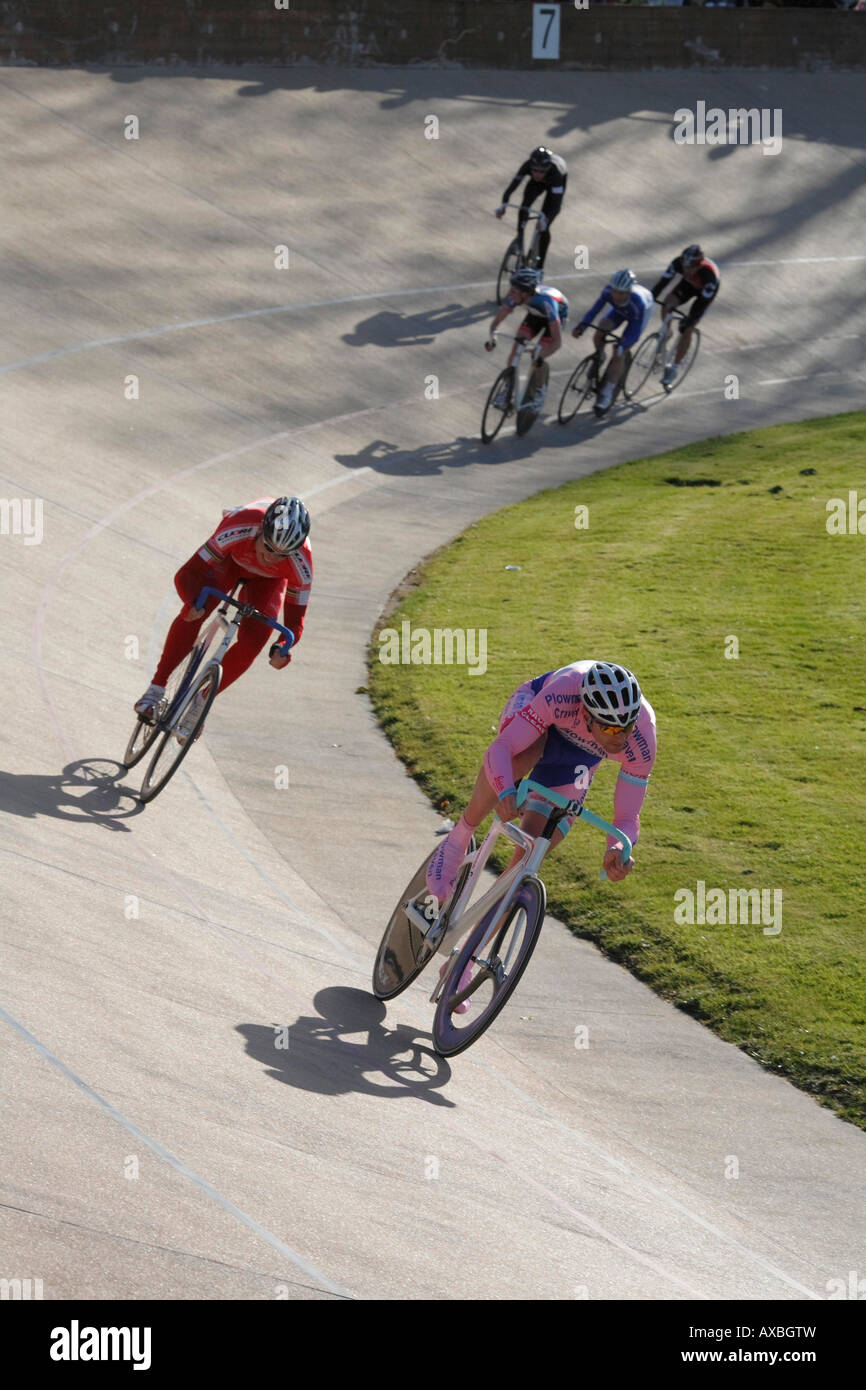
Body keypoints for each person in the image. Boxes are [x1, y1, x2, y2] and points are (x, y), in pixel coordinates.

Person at [426, 660, 656, 911]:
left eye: (627, 727)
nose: (622, 738)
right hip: (537, 716)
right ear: (587, 715)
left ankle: (472, 947)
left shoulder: (643, 738)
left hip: (579, 756)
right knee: (525, 753)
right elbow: (502, 748)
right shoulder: (563, 691)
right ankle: (460, 835)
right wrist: (506, 791)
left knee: (525, 863)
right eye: (610, 728)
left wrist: (618, 847)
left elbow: (627, 816)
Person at [133, 496, 312, 742]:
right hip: (230, 561)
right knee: (197, 608)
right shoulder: (239, 528)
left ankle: (201, 703)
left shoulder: (302, 564)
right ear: (260, 531)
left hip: (269, 583)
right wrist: (191, 602)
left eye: (282, 555)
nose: (271, 558)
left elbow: (294, 621)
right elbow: (187, 573)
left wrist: (283, 647)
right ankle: (156, 688)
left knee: (254, 642)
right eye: (269, 547)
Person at [572, 269, 654, 415]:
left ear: (629, 292)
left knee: (619, 353)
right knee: (601, 327)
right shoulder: (608, 292)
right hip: (619, 311)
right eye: (615, 291)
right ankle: (600, 355)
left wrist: (623, 345)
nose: (616, 295)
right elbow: (594, 311)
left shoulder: (638, 303)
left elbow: (634, 332)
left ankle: (608, 393)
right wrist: (582, 326)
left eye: (621, 293)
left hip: (637, 315)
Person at [486, 268, 568, 409]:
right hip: (535, 315)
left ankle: (540, 392)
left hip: (555, 318)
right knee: (517, 345)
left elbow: (557, 342)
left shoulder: (547, 302)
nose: (510, 294)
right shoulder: (517, 297)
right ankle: (507, 390)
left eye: (514, 290)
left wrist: (541, 356)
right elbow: (497, 321)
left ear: (525, 293)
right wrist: (493, 338)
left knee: (536, 356)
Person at [650, 244, 720, 388]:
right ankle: (666, 332)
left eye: (690, 268)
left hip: (704, 294)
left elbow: (701, 306)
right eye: (684, 266)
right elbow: (661, 285)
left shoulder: (709, 277)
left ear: (698, 266)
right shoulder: (677, 264)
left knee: (687, 328)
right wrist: (650, 298)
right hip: (687, 286)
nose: (686, 270)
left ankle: (675, 367)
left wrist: (690, 320)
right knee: (667, 303)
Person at [495, 145, 568, 271]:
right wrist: (503, 206)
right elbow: (510, 189)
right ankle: (520, 241)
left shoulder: (555, 174)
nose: (537, 174)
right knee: (524, 207)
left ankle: (539, 268)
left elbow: (556, 205)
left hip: (554, 184)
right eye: (534, 170)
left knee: (544, 225)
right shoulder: (526, 166)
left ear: (548, 168)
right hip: (535, 185)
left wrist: (546, 220)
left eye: (541, 171)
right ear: (531, 167)